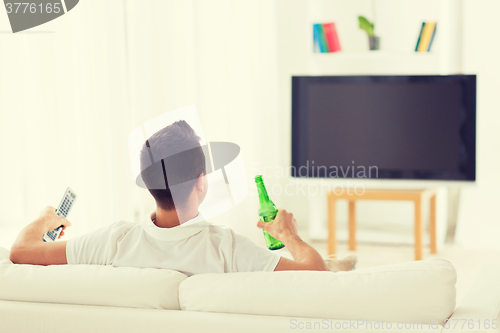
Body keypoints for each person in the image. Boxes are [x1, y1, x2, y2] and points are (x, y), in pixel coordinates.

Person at [9, 121, 356, 275]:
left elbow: (21, 252)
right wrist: (288, 235)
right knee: (331, 263)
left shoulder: (112, 241)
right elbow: (315, 272)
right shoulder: (227, 249)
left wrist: (46, 219)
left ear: (147, 183)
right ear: (200, 183)